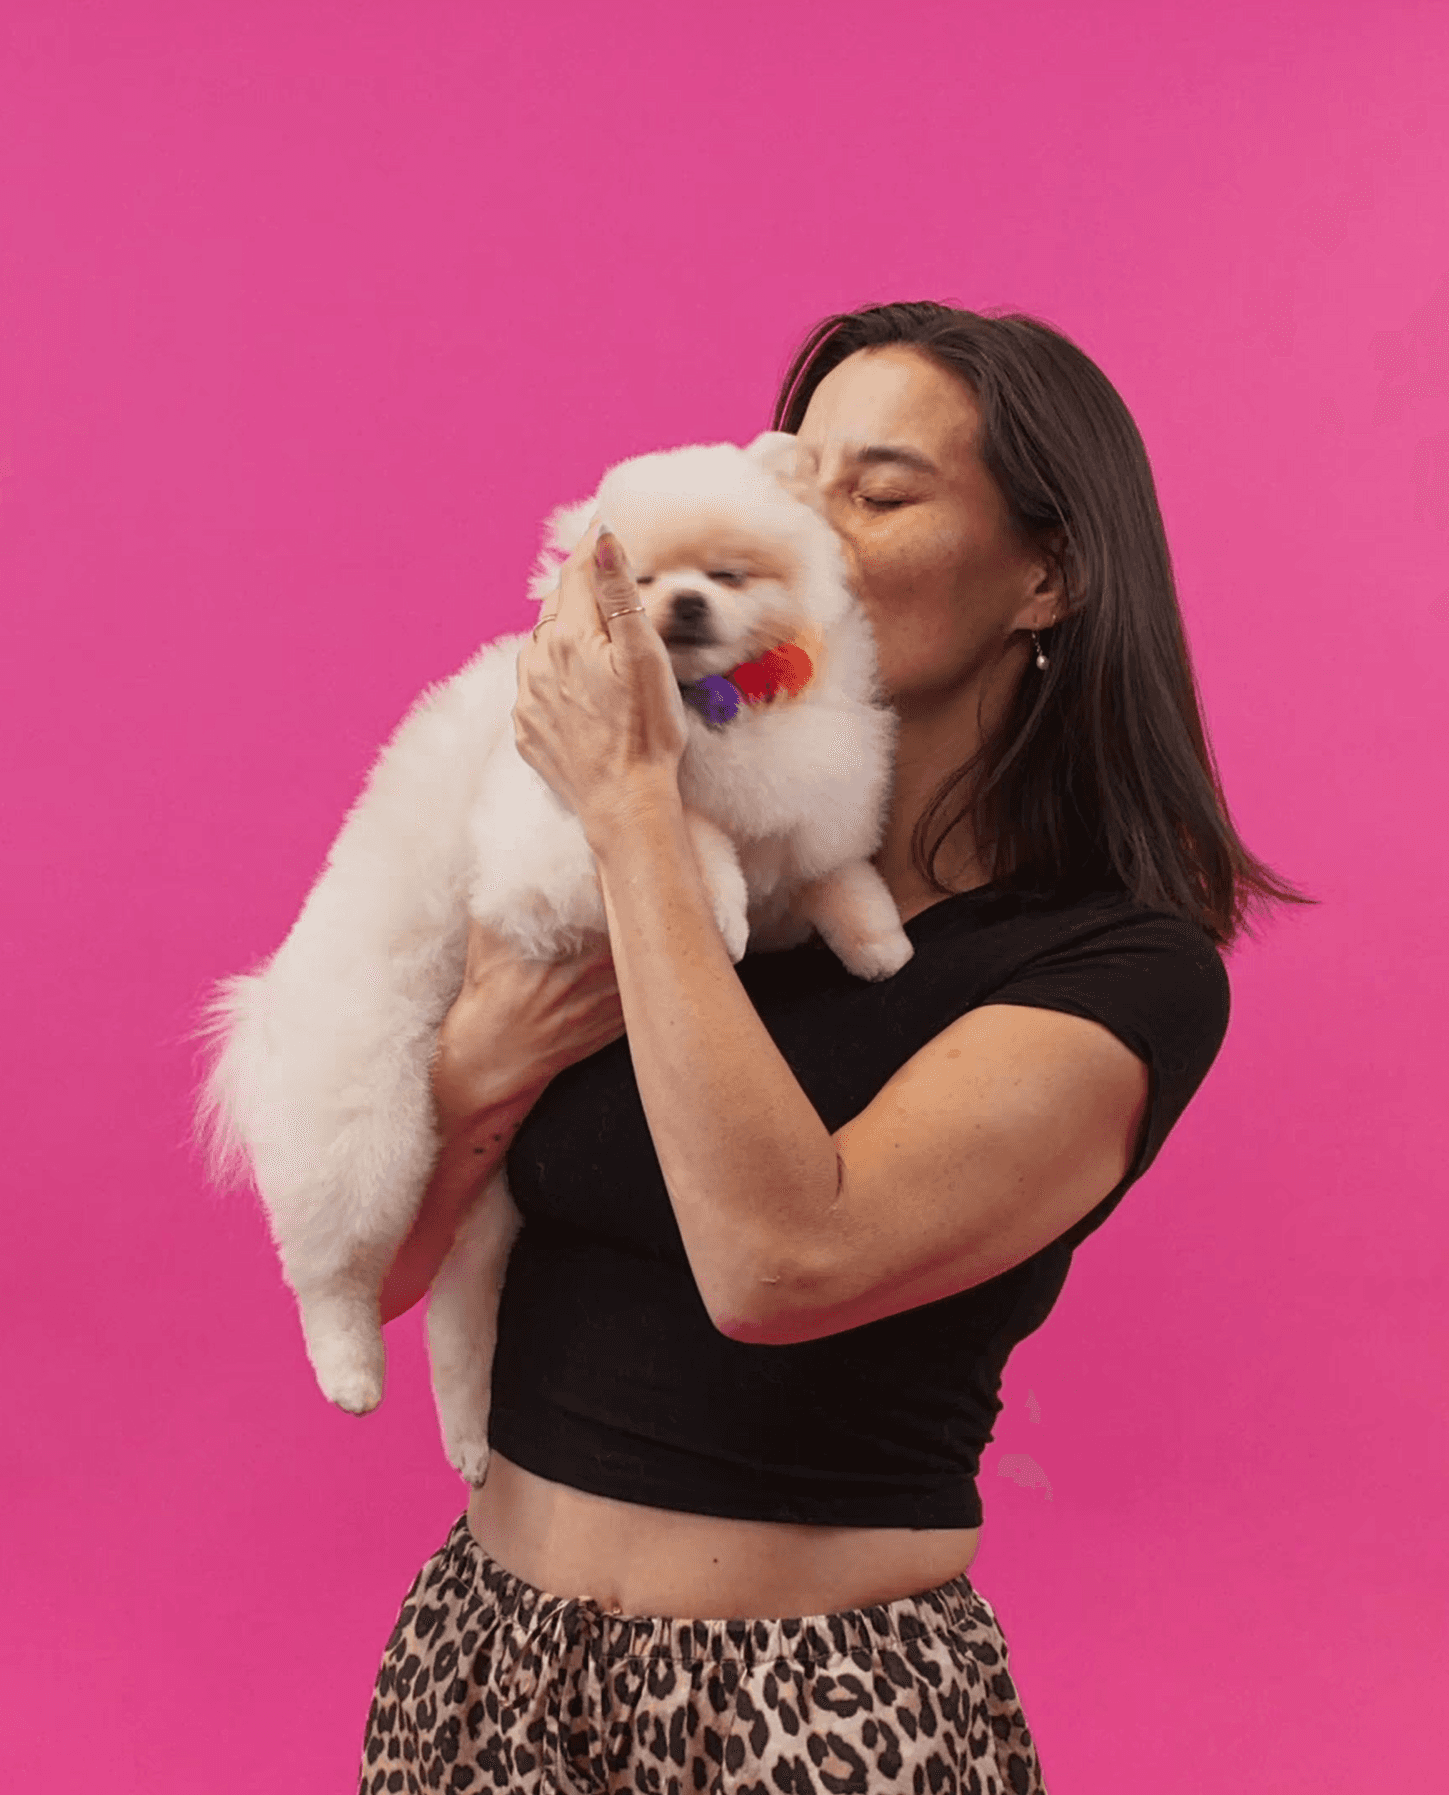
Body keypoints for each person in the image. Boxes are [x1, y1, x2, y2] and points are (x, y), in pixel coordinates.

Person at [357, 301, 1300, 1795]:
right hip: (487, 1665)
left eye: (882, 490)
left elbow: (778, 1263)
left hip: (806, 1710)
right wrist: (477, 1060)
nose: (812, 524)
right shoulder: (649, 882)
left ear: (1044, 574)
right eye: (800, 481)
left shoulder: (1116, 968)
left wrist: (633, 817)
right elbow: (383, 1269)